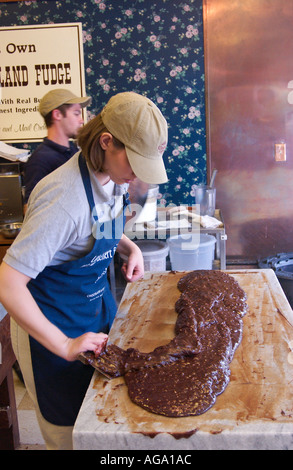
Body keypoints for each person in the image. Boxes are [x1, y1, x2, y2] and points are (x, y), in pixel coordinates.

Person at [0, 91, 168, 450]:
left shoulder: (110, 176)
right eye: (135, 163)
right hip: (52, 325)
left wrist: (129, 247)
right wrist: (62, 344)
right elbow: (9, 282)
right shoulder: (63, 198)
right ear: (107, 142)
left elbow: (98, 224)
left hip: (93, 309)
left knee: (100, 421)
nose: (137, 176)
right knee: (71, 436)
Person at [23, 88, 91, 208]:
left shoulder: (74, 152)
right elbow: (30, 208)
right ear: (57, 115)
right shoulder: (40, 160)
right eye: (76, 113)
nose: (81, 120)